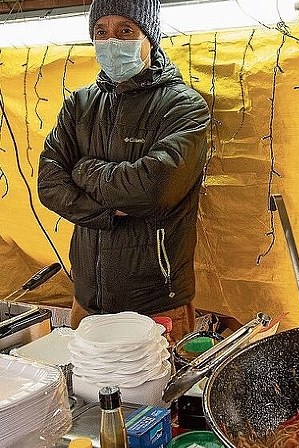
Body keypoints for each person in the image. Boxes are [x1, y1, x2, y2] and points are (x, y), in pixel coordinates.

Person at [38, 0, 210, 340]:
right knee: (86, 390)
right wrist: (108, 212)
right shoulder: (80, 104)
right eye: (101, 32)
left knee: (159, 391)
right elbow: (49, 183)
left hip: (156, 303)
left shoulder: (182, 105)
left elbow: (152, 189)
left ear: (150, 37)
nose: (111, 42)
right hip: (86, 299)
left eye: (125, 31)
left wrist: (84, 170)